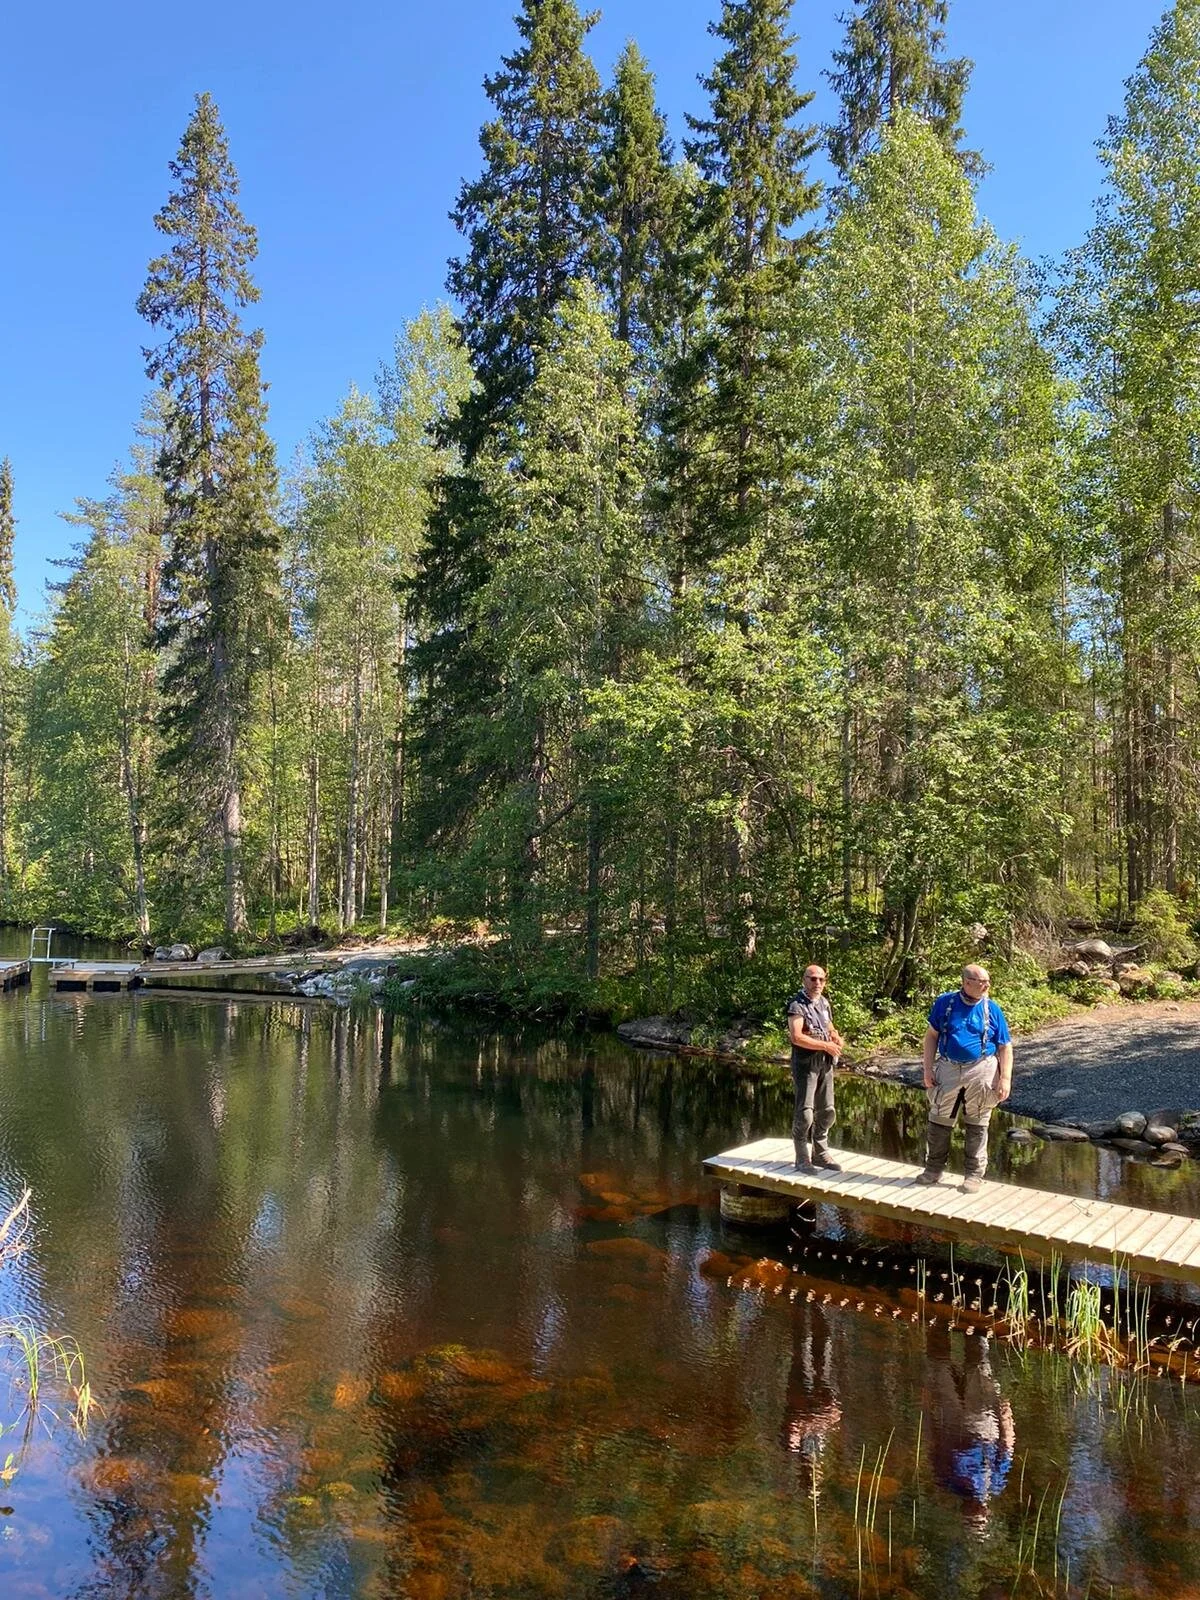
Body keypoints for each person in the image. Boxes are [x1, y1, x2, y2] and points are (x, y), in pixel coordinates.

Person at [915, 964, 1012, 1193]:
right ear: (967, 982)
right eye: (983, 981)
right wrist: (927, 1069)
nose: (987, 985)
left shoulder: (993, 1009)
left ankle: (974, 1175)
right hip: (948, 1068)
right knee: (939, 1119)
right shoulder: (944, 1003)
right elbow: (931, 1036)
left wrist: (1005, 1078)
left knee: (978, 1122)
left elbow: (1005, 1046)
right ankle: (933, 1170)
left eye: (988, 981)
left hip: (982, 1069)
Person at [786, 965, 844, 1173]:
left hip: (825, 1063)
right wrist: (825, 1045)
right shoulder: (796, 1005)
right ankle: (802, 1158)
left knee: (828, 1111)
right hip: (805, 1064)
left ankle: (820, 1153)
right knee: (805, 1113)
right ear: (804, 980)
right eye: (812, 979)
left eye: (821, 979)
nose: (817, 983)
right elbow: (797, 1036)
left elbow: (829, 1026)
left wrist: (835, 1036)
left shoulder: (824, 1003)